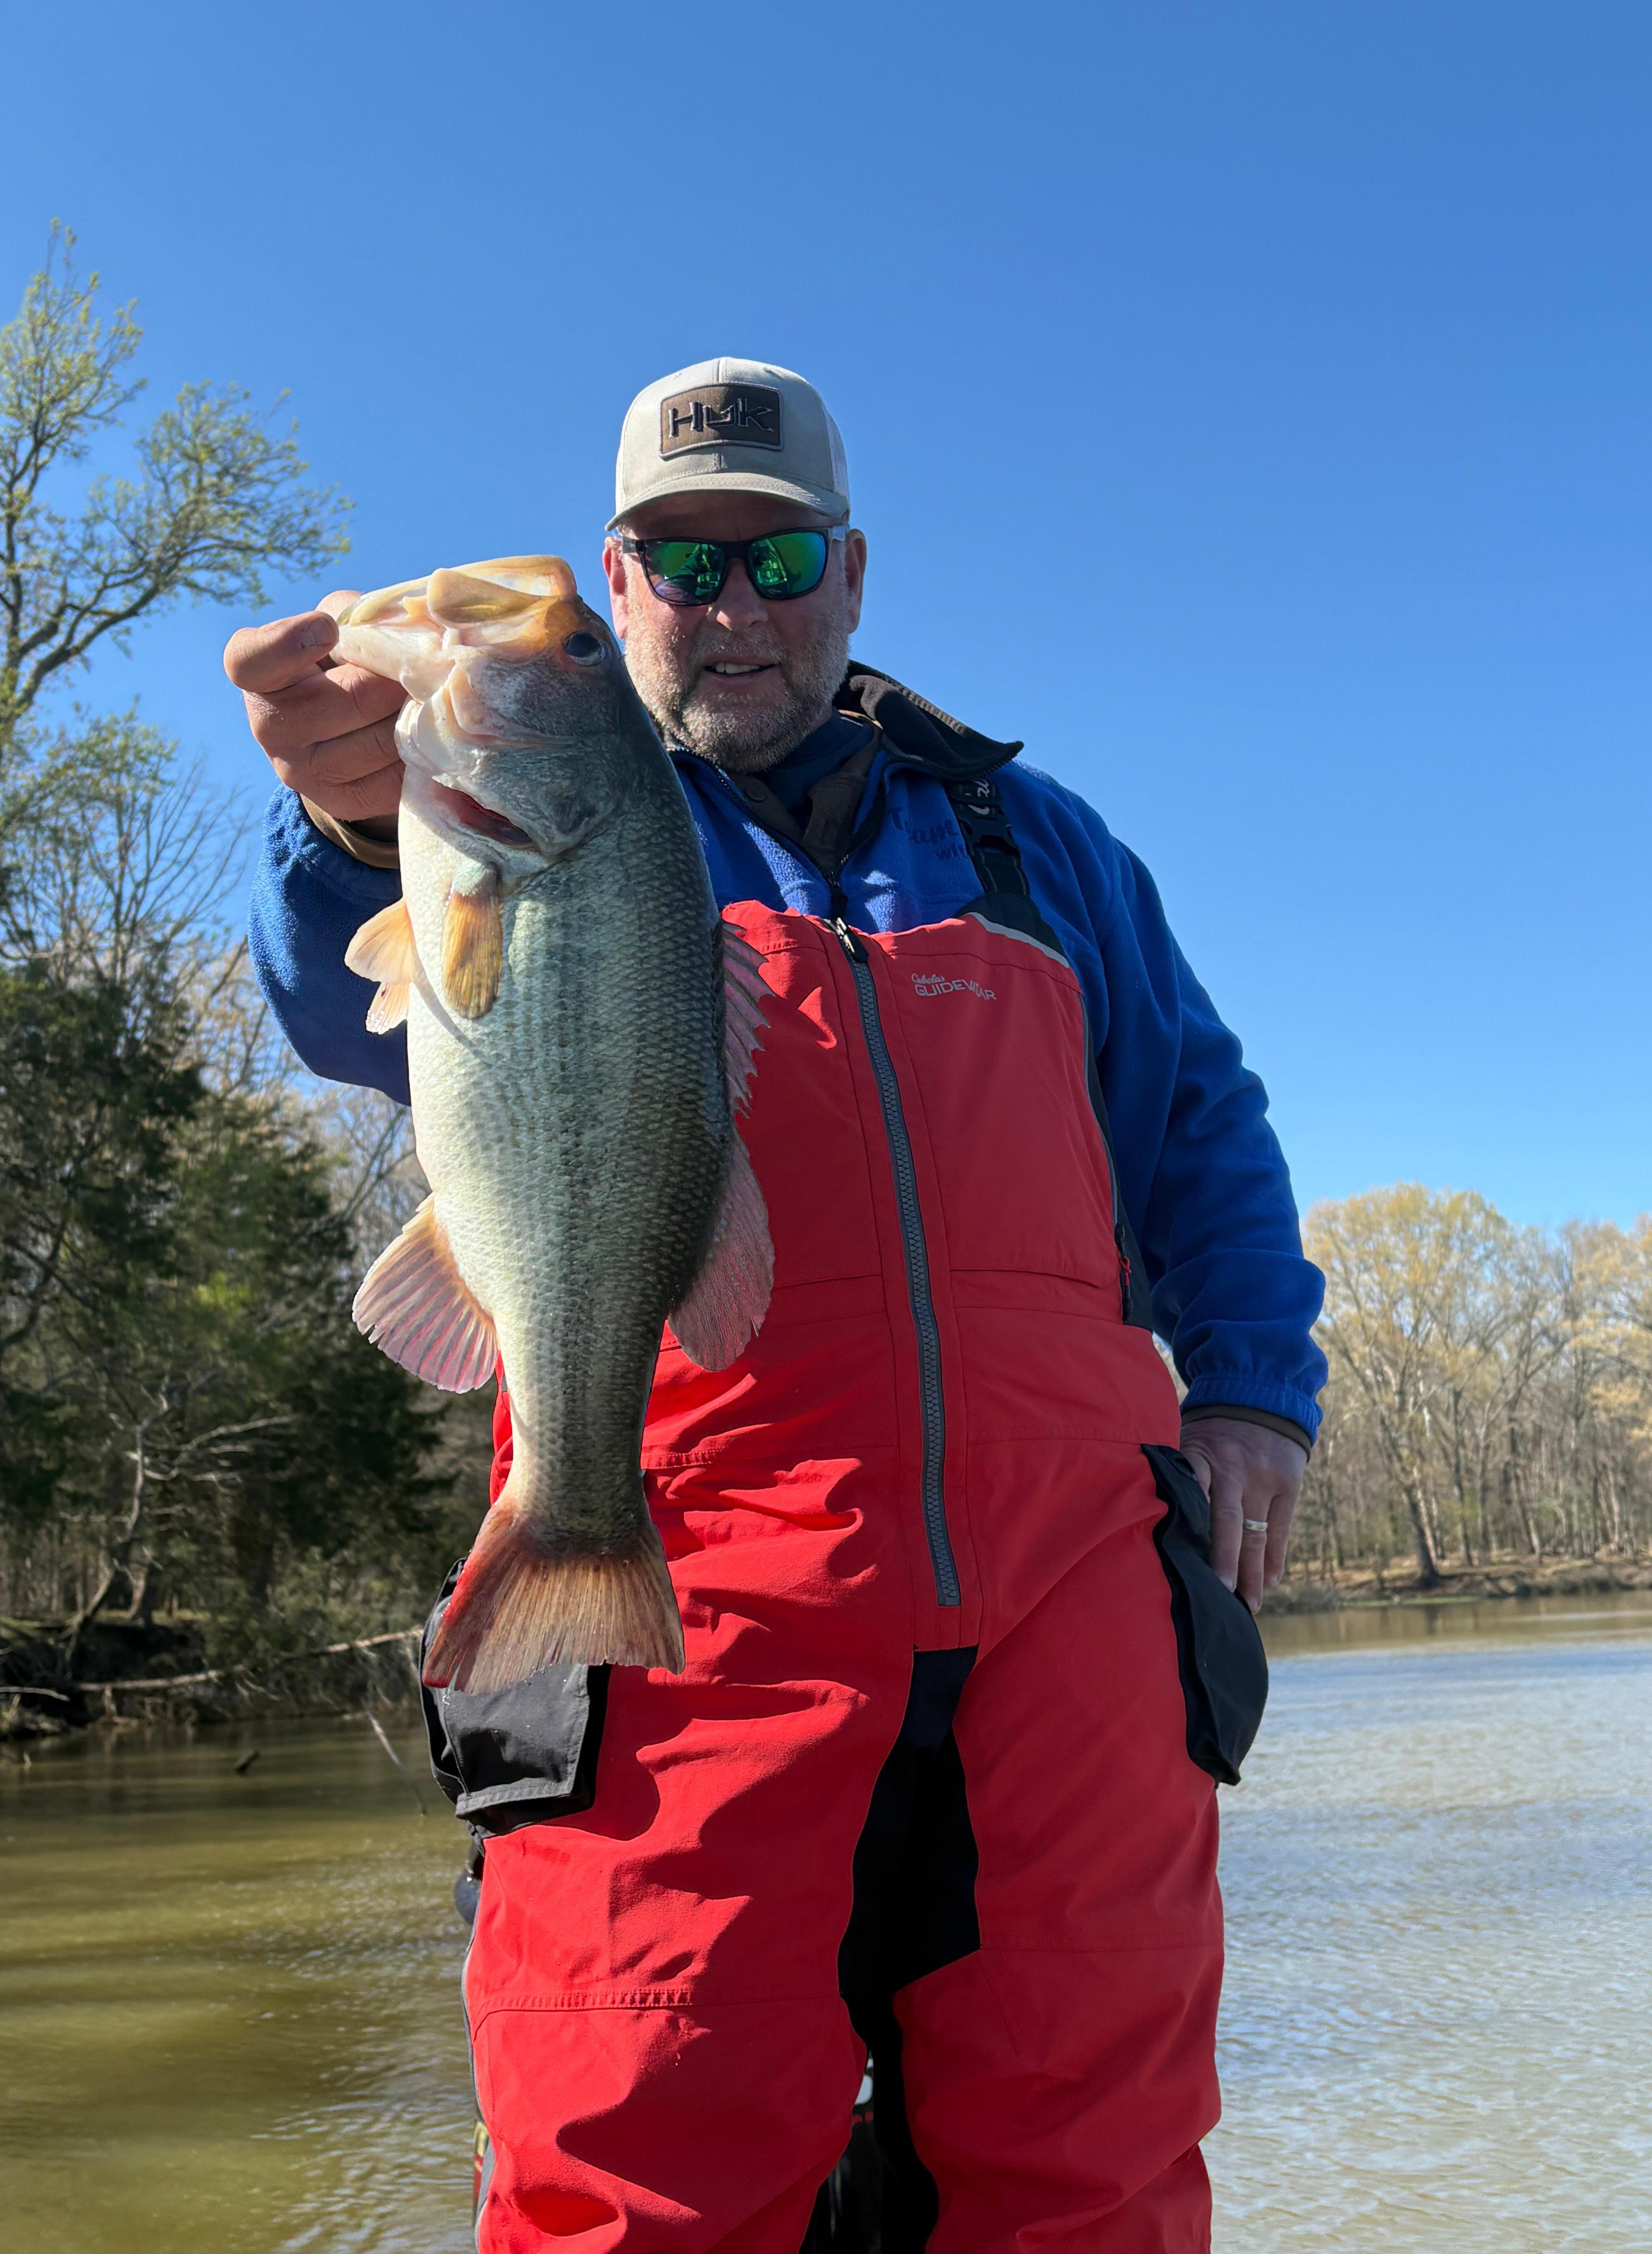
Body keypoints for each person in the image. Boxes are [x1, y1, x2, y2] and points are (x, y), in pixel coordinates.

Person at [226, 358, 1326, 2252]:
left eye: (781, 557)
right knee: (637, 2164)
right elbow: (349, 994)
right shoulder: (546, 807)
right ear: (618, 580)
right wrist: (339, 828)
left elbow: (1204, 1125)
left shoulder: (1038, 842)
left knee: (1099, 2174)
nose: (732, 605)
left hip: (1074, 1612)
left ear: (854, 574)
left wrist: (1251, 1391)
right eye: (680, 563)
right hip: (685, 1603)